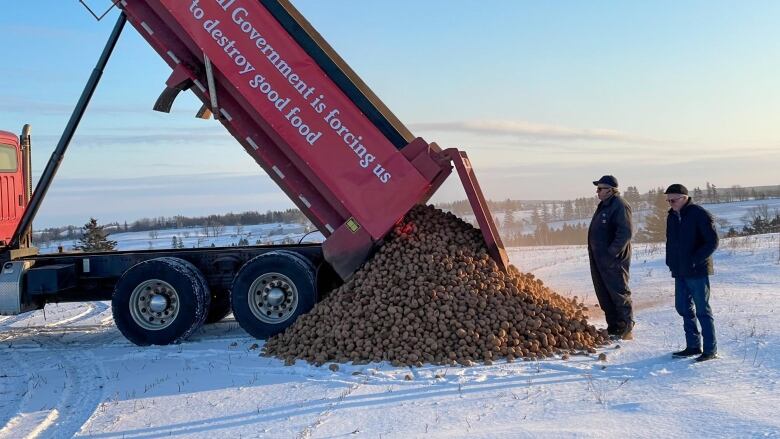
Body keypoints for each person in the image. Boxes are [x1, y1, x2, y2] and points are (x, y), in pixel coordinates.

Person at [665, 184, 720, 362]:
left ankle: (710, 350)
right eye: (668, 200)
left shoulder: (699, 214)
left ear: (684, 198)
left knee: (702, 309)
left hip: (697, 271)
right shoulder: (672, 216)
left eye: (673, 200)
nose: (670, 203)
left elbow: (712, 241)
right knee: (682, 307)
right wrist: (670, 261)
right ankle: (693, 346)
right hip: (679, 270)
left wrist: (696, 259)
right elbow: (670, 242)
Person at [587, 175, 634, 340]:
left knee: (618, 292)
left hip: (613, 260)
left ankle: (626, 327)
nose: (597, 192)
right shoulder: (604, 206)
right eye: (597, 188)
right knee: (604, 293)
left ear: (610, 190)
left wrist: (611, 253)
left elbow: (625, 233)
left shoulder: (619, 206)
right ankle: (614, 326)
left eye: (600, 188)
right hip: (599, 259)